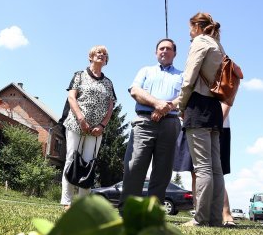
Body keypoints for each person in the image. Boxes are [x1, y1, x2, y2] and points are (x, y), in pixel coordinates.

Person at [119, 38, 182, 212]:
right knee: (135, 165)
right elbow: (135, 91)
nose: (164, 51)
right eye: (161, 48)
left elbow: (184, 97)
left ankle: (153, 212)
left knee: (162, 170)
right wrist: (156, 104)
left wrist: (164, 108)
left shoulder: (181, 75)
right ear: (156, 52)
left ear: (174, 54)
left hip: (170, 123)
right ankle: (128, 209)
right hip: (144, 123)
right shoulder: (145, 71)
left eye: (168, 49)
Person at [178, 12, 226, 227]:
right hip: (215, 107)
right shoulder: (218, 45)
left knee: (203, 167)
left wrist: (181, 105)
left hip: (198, 106)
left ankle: (201, 218)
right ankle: (215, 218)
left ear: (197, 27)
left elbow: (189, 78)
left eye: (190, 28)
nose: (189, 32)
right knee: (216, 168)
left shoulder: (199, 42)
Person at [60, 45, 116, 207]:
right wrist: (81, 119)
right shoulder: (79, 75)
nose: (102, 55)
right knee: (71, 160)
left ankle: (83, 204)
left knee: (89, 162)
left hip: (96, 130)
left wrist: (102, 125)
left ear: (106, 61)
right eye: (99, 53)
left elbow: (110, 106)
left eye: (105, 54)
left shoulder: (108, 83)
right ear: (90, 57)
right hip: (76, 124)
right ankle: (67, 202)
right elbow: (72, 98)